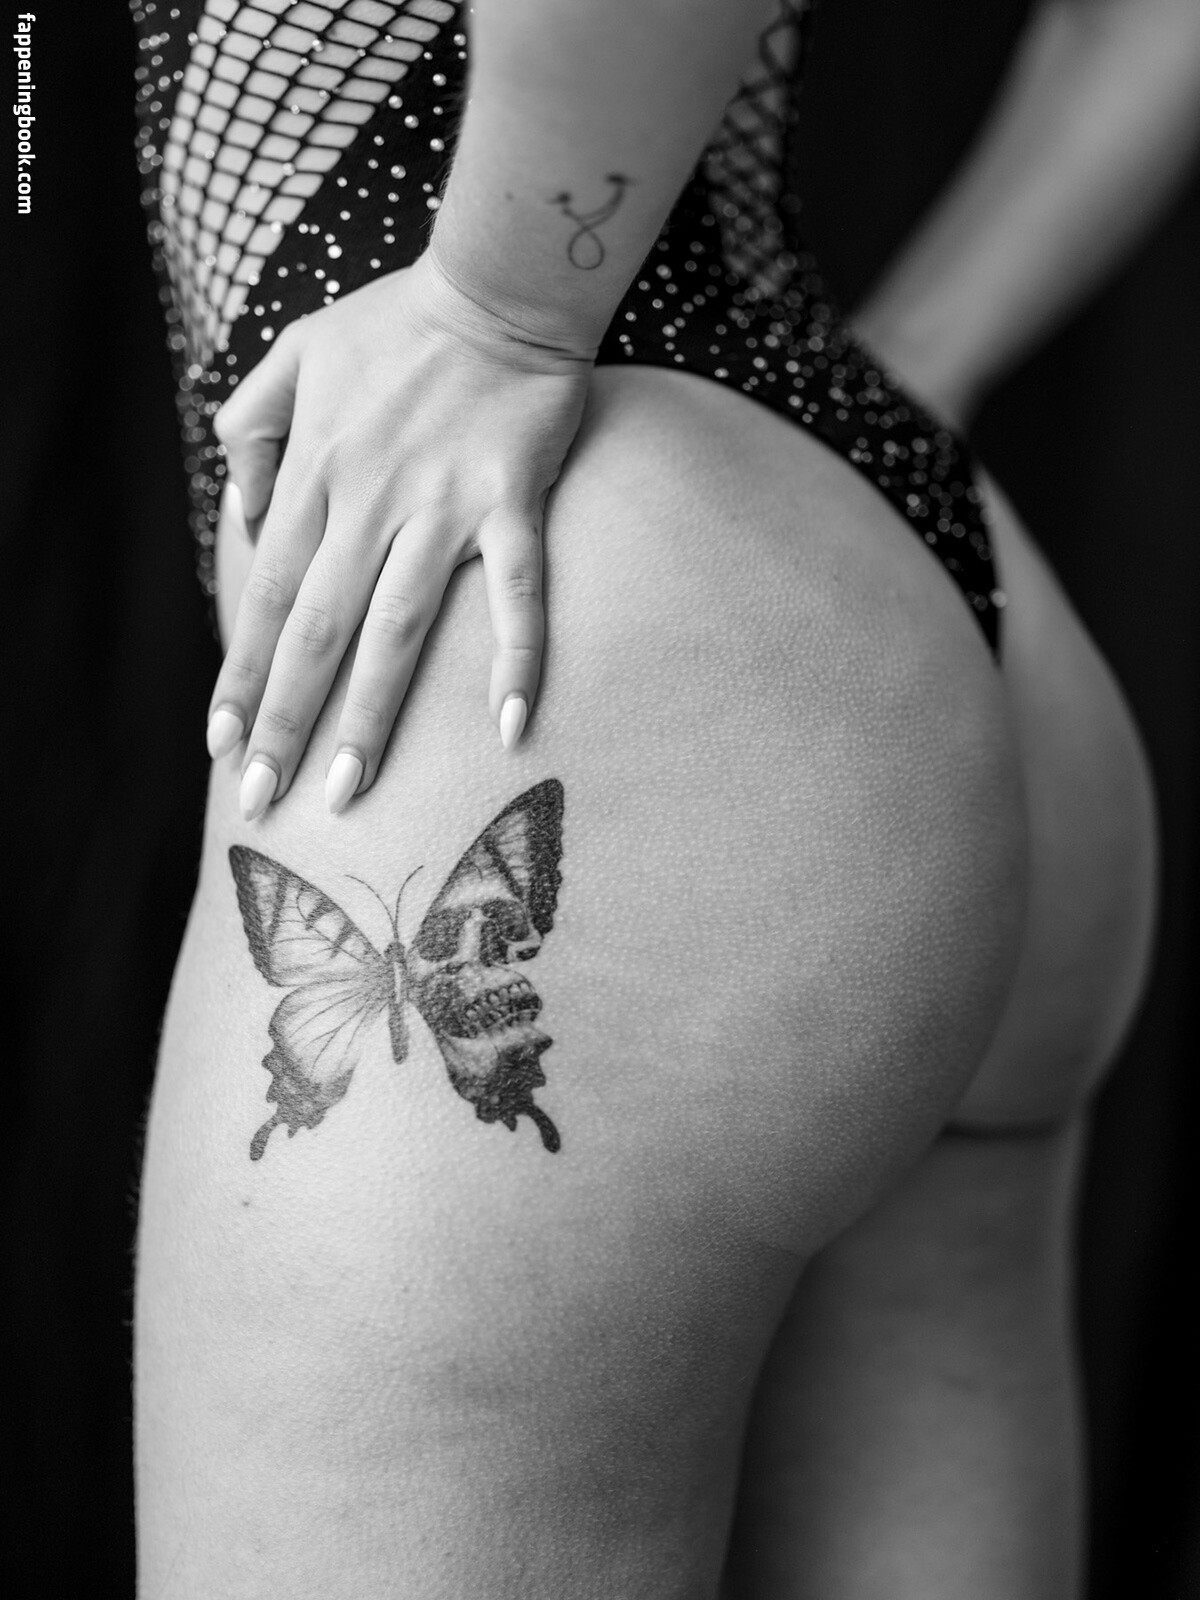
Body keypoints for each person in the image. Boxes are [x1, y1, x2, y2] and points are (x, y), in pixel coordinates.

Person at [130, 0, 1200, 1593]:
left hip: (554, 629)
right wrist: (925, 356)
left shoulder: (513, 364)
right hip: (862, 564)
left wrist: (499, 315)